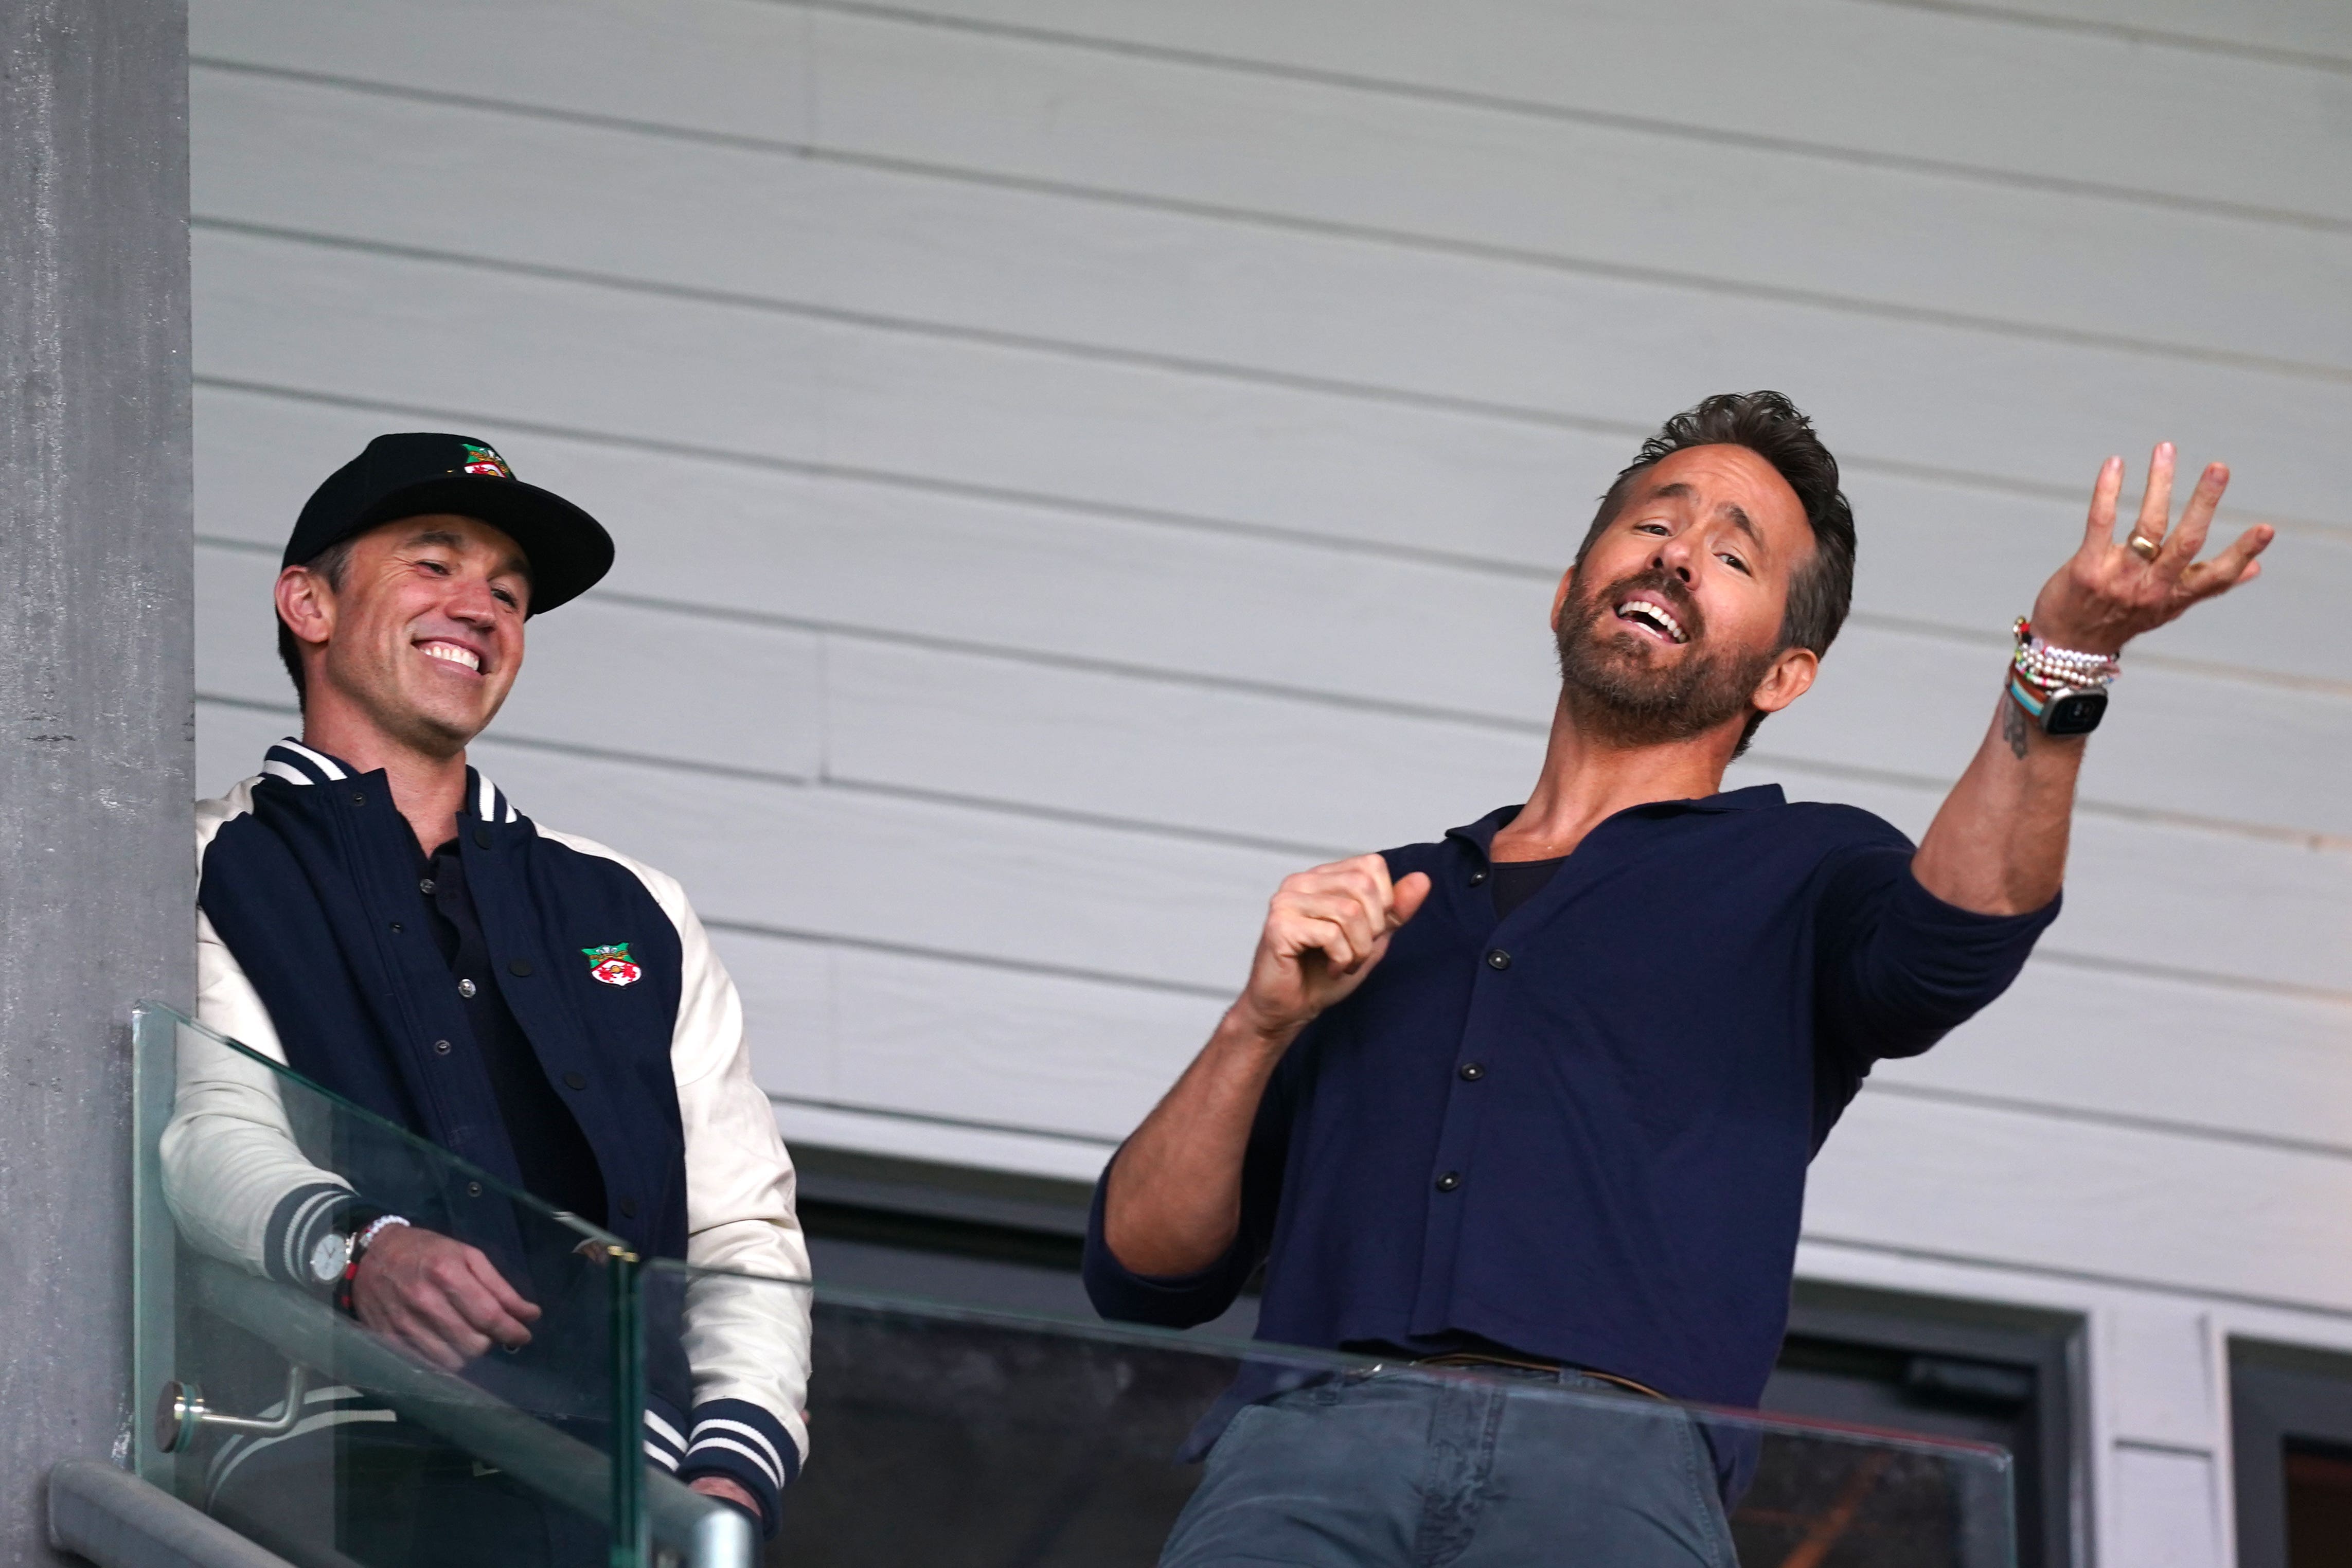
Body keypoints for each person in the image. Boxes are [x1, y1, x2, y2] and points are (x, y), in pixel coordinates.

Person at [1083, 393, 2271, 1566]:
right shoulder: (1381, 903)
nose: (1681, 555)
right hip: (1305, 1461)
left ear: (1784, 677)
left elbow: (1960, 935)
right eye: (1657, 521)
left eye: (1734, 552)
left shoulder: (1807, 870)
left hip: (1613, 1486)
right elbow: (1143, 1272)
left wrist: (2068, 660)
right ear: (1568, 589)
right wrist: (1258, 1024)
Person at [164, 433, 809, 1560]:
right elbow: (206, 1126)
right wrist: (356, 1251)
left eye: (509, 594)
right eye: (434, 564)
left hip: (618, 1497)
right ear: (307, 604)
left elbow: (741, 1224)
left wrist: (730, 1475)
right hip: (326, 1479)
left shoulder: (633, 905)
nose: (483, 608)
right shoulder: (200, 858)